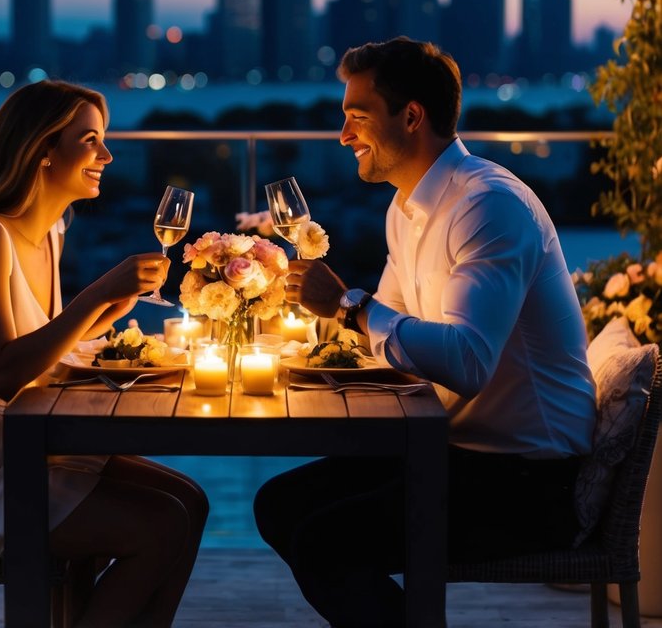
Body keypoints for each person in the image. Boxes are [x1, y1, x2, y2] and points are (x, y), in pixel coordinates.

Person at [254, 37, 596, 628]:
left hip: (528, 478)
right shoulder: (406, 208)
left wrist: (346, 304)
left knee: (324, 542)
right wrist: (311, 336)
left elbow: (466, 362)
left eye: (356, 119)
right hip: (453, 450)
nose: (342, 136)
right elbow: (383, 331)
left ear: (411, 116)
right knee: (278, 504)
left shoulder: (488, 206)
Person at [0, 79, 208, 628]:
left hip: (13, 449)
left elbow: (46, 342)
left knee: (191, 503)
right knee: (160, 526)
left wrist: (110, 311)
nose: (107, 155)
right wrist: (98, 294)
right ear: (41, 150)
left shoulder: (50, 233)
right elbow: (6, 373)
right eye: (90, 141)